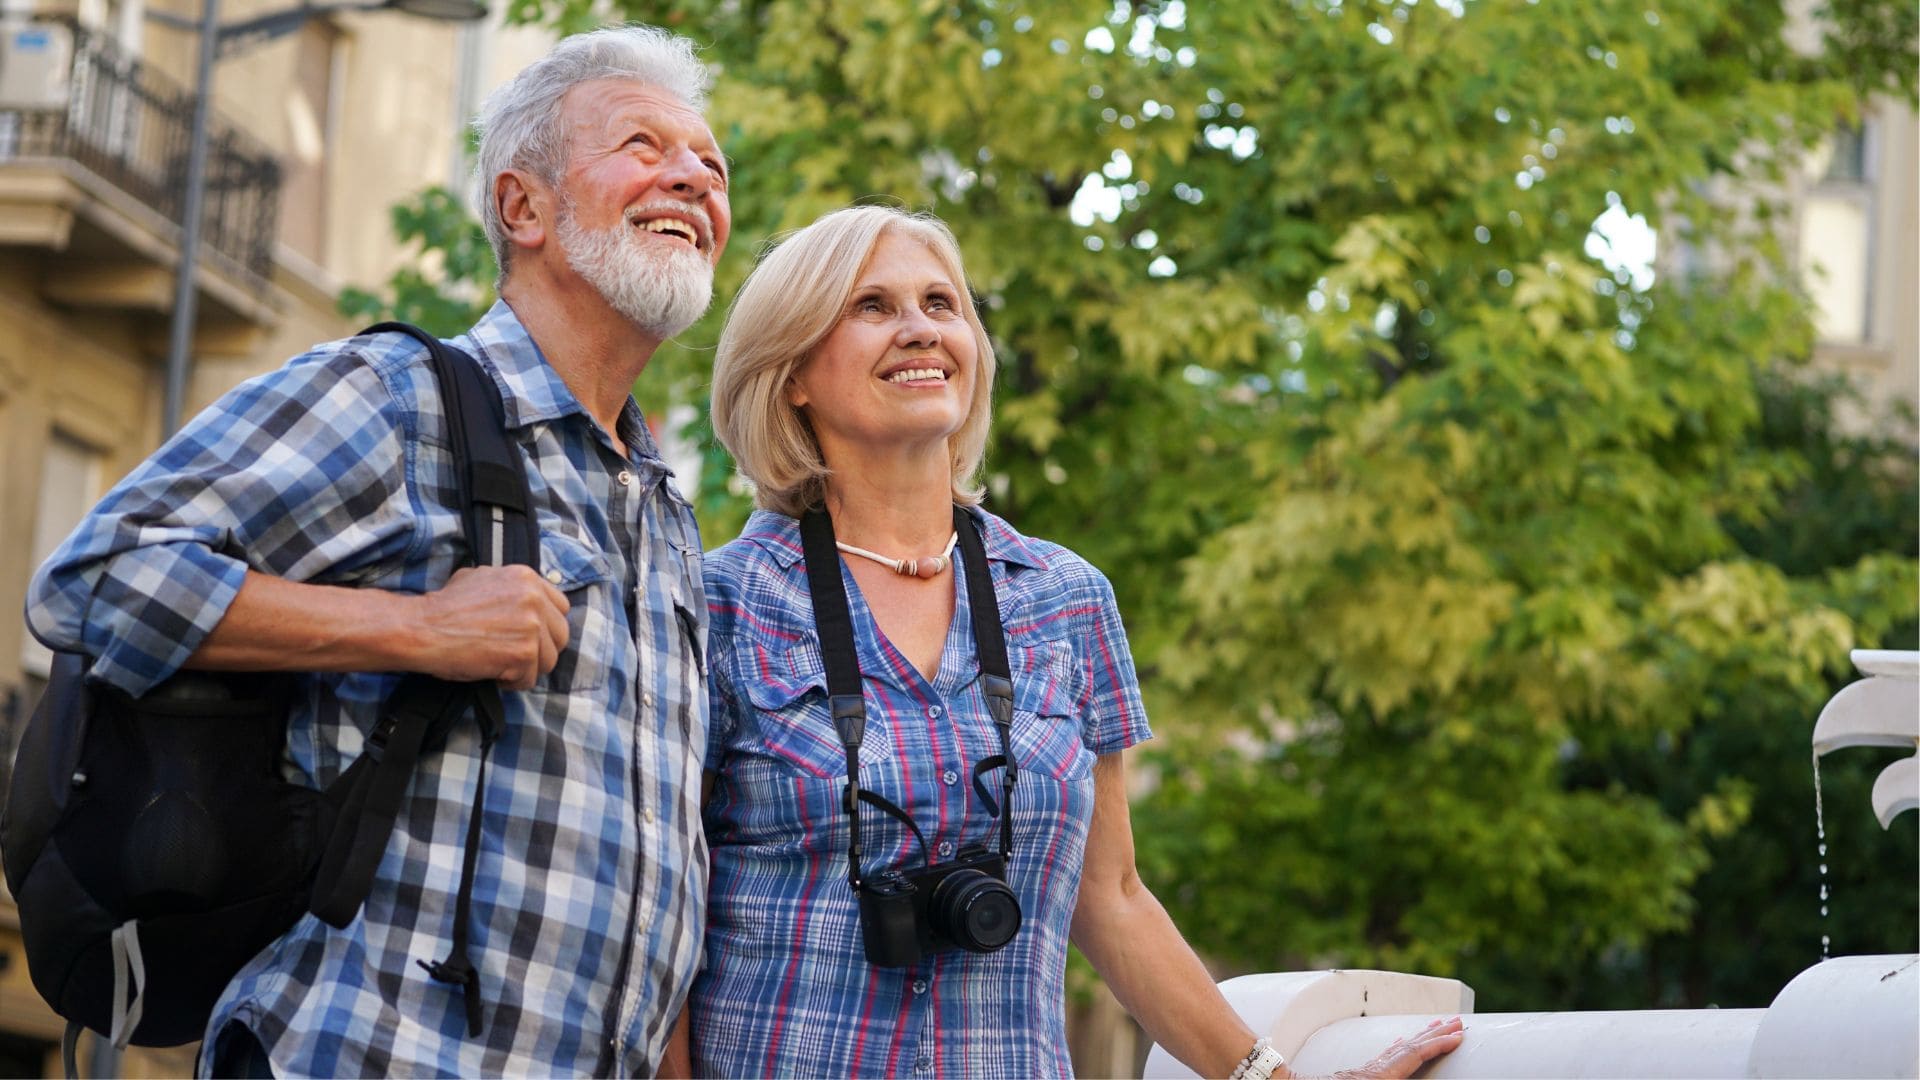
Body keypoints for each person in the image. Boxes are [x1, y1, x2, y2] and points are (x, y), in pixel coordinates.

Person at [23, 24, 728, 1077]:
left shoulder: (668, 512)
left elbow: (664, 862)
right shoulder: (399, 398)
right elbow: (98, 579)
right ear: (521, 207)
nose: (692, 178)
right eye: (643, 145)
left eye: (711, 165)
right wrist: (421, 627)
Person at [669, 204, 1463, 1078]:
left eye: (943, 304)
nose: (920, 330)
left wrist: (1272, 1079)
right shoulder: (718, 602)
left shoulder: (1063, 596)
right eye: (871, 307)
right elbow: (664, 914)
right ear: (792, 376)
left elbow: (1112, 898)